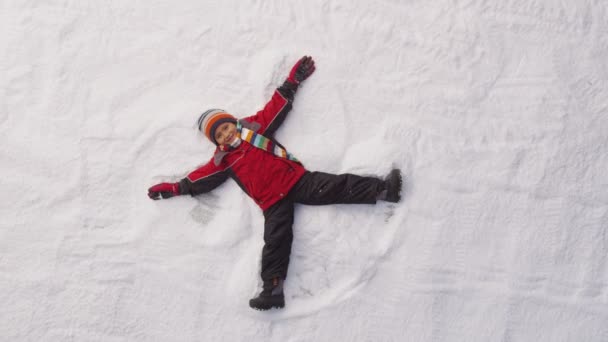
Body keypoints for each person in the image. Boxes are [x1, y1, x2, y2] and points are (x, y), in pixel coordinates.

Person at [148, 56, 402, 310]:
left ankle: (383, 189)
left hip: (296, 180)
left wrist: (291, 83)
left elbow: (274, 110)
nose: (226, 134)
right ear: (217, 142)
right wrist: (174, 188)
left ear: (232, 121)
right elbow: (201, 179)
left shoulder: (254, 129)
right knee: (276, 241)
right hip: (272, 202)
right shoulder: (223, 160)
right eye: (219, 135)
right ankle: (272, 289)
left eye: (225, 127)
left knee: (337, 186)